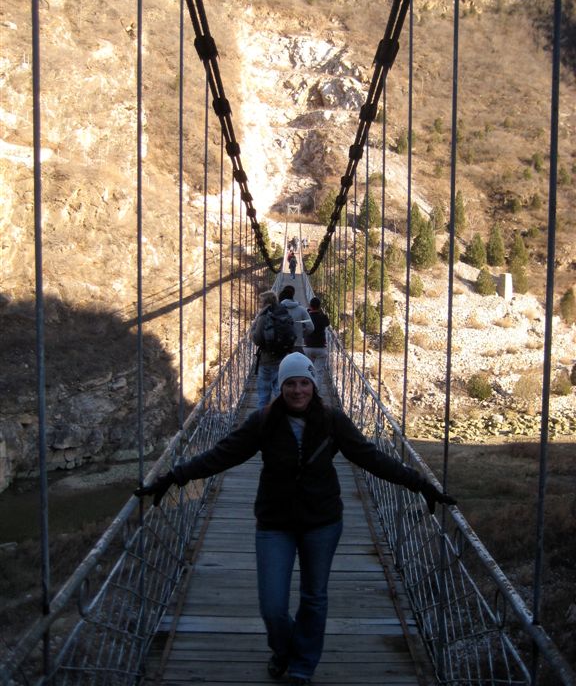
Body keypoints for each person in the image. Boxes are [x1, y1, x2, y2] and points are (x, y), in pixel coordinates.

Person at [135, 352, 456, 685]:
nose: (298, 390)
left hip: (322, 522)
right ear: (281, 386)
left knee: (314, 597)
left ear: (314, 386)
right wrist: (175, 476)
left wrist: (420, 484)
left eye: (304, 382)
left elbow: (371, 458)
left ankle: (303, 666)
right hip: (275, 522)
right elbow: (222, 455)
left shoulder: (333, 421)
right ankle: (284, 649)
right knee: (272, 605)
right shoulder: (262, 421)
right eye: (290, 383)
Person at [250, 291, 286, 409]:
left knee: (264, 396)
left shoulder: (264, 317)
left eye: (260, 301)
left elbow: (258, 340)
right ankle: (283, 418)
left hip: (267, 360)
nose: (259, 303)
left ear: (266, 302)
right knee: (280, 392)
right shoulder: (283, 313)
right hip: (282, 358)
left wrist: (252, 333)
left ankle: (263, 422)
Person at [303, 297, 330, 395]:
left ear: (310, 306)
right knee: (319, 372)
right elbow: (327, 323)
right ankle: (317, 394)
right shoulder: (322, 317)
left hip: (308, 347)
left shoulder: (307, 316)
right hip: (321, 348)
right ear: (319, 307)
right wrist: (321, 312)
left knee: (308, 370)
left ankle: (307, 391)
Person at [279, 285, 313, 354]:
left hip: (280, 345)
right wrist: (302, 334)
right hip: (297, 345)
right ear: (293, 294)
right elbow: (311, 328)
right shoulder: (302, 309)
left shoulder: (275, 309)